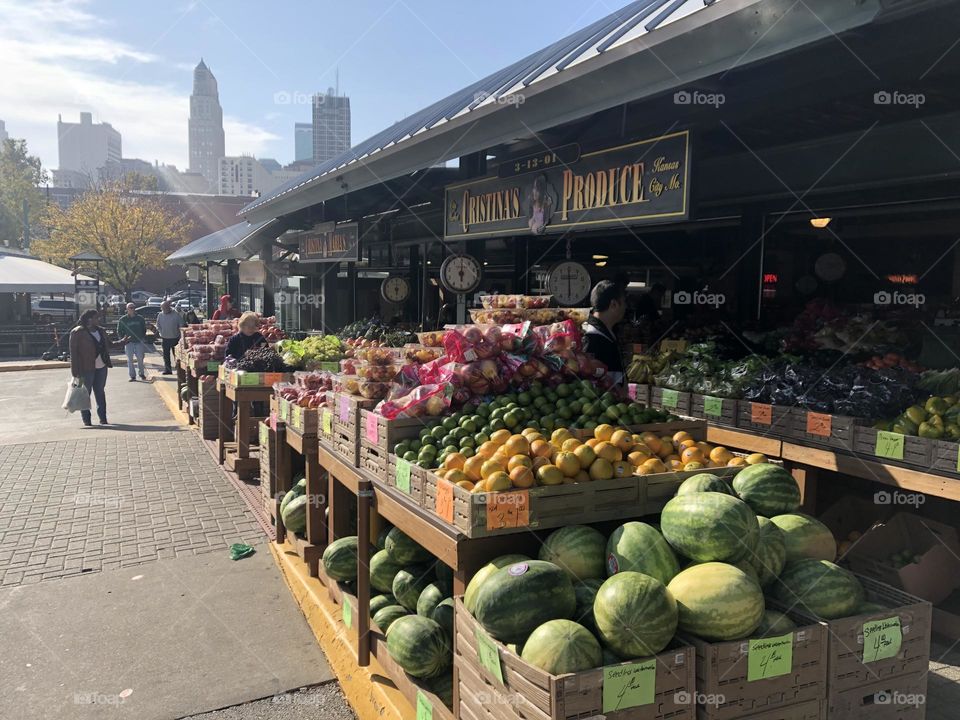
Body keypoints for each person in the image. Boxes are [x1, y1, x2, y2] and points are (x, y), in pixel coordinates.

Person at [69, 309, 122, 426]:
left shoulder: (101, 331)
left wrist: (123, 342)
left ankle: (103, 418)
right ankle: (87, 420)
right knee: (85, 394)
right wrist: (75, 372)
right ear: (89, 319)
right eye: (96, 317)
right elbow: (73, 353)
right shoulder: (77, 332)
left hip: (101, 366)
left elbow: (110, 345)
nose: (99, 319)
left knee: (100, 392)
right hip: (85, 368)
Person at [583, 280, 627, 386]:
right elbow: (588, 379)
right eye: (624, 302)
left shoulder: (607, 332)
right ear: (614, 304)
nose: (626, 307)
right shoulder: (591, 337)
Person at [117, 302, 148, 381]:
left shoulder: (140, 318)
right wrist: (123, 339)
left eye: (133, 307)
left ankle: (141, 374)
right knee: (130, 359)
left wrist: (142, 337)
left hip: (139, 341)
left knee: (140, 358)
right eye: (130, 308)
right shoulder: (123, 319)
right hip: (128, 342)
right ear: (127, 309)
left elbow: (144, 329)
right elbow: (119, 330)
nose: (132, 309)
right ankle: (132, 376)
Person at [155, 299, 184, 375]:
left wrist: (180, 336)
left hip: (175, 338)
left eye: (166, 307)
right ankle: (168, 370)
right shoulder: (160, 315)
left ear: (169, 307)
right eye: (163, 308)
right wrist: (161, 332)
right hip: (165, 338)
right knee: (166, 356)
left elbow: (181, 325)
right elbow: (158, 325)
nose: (164, 309)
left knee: (177, 356)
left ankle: (179, 370)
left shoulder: (176, 314)